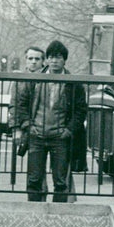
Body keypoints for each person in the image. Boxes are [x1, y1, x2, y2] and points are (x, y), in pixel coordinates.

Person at [18, 39, 87, 203]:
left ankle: (59, 215)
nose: (54, 61)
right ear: (47, 59)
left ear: (64, 60)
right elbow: (22, 104)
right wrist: (28, 125)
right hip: (37, 135)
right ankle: (35, 212)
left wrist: (68, 130)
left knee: (61, 182)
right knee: (34, 180)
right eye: (51, 57)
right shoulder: (34, 80)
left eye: (58, 57)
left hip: (60, 138)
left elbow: (80, 110)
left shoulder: (74, 83)